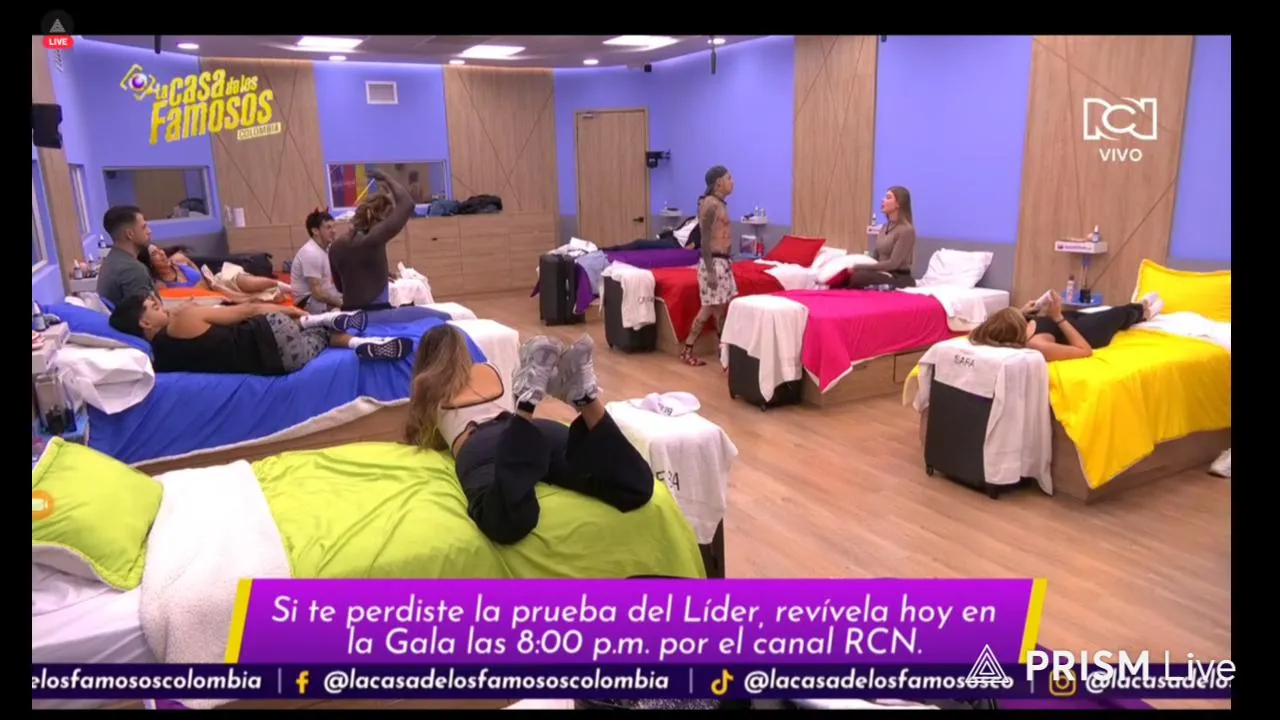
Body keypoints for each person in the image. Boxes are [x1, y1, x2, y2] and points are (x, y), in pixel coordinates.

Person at [404, 328, 654, 545]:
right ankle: (585, 398)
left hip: (483, 443)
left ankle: (526, 405)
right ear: (463, 348)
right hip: (538, 431)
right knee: (633, 486)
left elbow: (422, 437)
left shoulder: (426, 387)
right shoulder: (488, 370)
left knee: (505, 521)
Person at [108, 293, 412, 376]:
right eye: (153, 307)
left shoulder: (160, 362)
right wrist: (291, 310)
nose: (161, 307)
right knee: (319, 328)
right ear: (144, 322)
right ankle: (325, 321)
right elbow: (249, 310)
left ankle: (361, 343)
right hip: (270, 332)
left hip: (273, 364)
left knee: (319, 338)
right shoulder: (182, 319)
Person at [969, 289, 1164, 362]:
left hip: (1069, 320)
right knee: (1116, 314)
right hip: (1086, 334)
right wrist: (1057, 317)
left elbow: (982, 331)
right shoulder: (1037, 344)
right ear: (1013, 329)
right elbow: (1084, 351)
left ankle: (1138, 307)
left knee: (1106, 311)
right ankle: (1143, 311)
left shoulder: (1010, 329)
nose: (1021, 316)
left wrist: (1024, 311)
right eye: (1018, 317)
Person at [329, 169, 416, 311]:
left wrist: (374, 273)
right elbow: (407, 204)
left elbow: (340, 287)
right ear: (383, 219)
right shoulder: (373, 240)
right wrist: (385, 177)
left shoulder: (335, 247)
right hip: (376, 314)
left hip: (350, 313)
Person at [680, 166, 737, 367]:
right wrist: (711, 270)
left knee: (719, 309)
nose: (733, 182)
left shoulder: (720, 204)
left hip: (723, 262)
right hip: (713, 262)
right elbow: (704, 239)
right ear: (719, 182)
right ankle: (688, 348)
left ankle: (723, 351)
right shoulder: (710, 204)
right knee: (709, 308)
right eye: (729, 178)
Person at [140, 244, 290, 301]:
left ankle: (285, 286)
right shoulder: (161, 285)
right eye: (155, 254)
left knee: (237, 278)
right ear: (149, 263)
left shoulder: (179, 259)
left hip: (215, 282)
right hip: (208, 298)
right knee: (250, 297)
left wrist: (208, 281)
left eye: (160, 250)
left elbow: (199, 272)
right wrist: (206, 288)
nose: (161, 253)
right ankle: (270, 294)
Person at [845, 186, 917, 290]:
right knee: (852, 275)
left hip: (898, 277)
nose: (883, 200)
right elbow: (875, 256)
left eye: (888, 197)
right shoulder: (884, 227)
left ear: (898, 204)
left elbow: (893, 263)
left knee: (859, 277)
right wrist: (857, 262)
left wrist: (860, 266)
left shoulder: (906, 230)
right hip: (883, 273)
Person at [97, 206, 156, 306]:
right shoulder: (132, 269)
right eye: (144, 227)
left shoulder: (111, 260)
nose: (149, 231)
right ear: (130, 234)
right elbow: (147, 314)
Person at [292, 208, 343, 312]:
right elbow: (318, 294)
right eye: (328, 227)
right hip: (307, 300)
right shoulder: (311, 253)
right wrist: (343, 303)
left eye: (334, 227)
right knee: (344, 310)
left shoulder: (327, 248)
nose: (334, 231)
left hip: (323, 293)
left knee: (354, 295)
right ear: (315, 231)